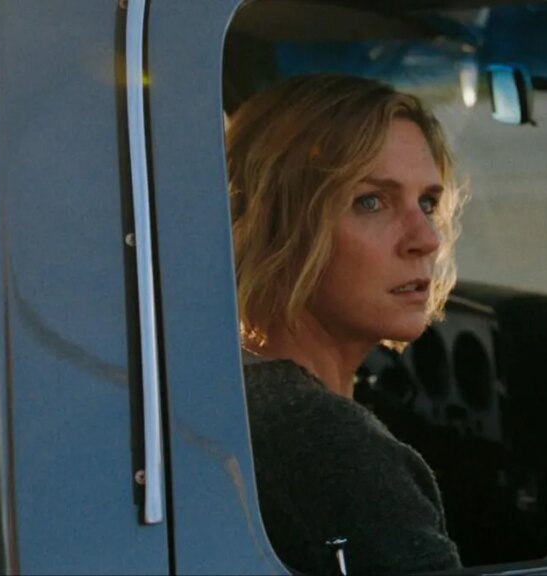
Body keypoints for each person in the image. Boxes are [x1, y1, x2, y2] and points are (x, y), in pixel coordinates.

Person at [226, 74, 464, 574]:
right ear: (279, 225)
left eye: (427, 203)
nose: (426, 239)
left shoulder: (234, 391)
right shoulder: (329, 444)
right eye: (371, 201)